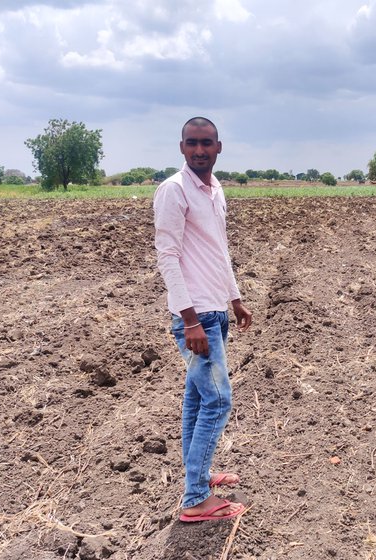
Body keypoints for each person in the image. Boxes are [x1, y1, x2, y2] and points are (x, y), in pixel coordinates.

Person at [153, 117, 252, 522]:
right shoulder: (173, 191)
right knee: (218, 400)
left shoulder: (215, 190)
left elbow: (218, 250)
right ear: (181, 148)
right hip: (196, 319)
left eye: (206, 143)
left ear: (218, 147)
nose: (199, 150)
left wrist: (236, 298)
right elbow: (168, 256)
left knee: (197, 399)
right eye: (192, 143)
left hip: (215, 311)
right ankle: (195, 498)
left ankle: (200, 476)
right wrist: (190, 320)